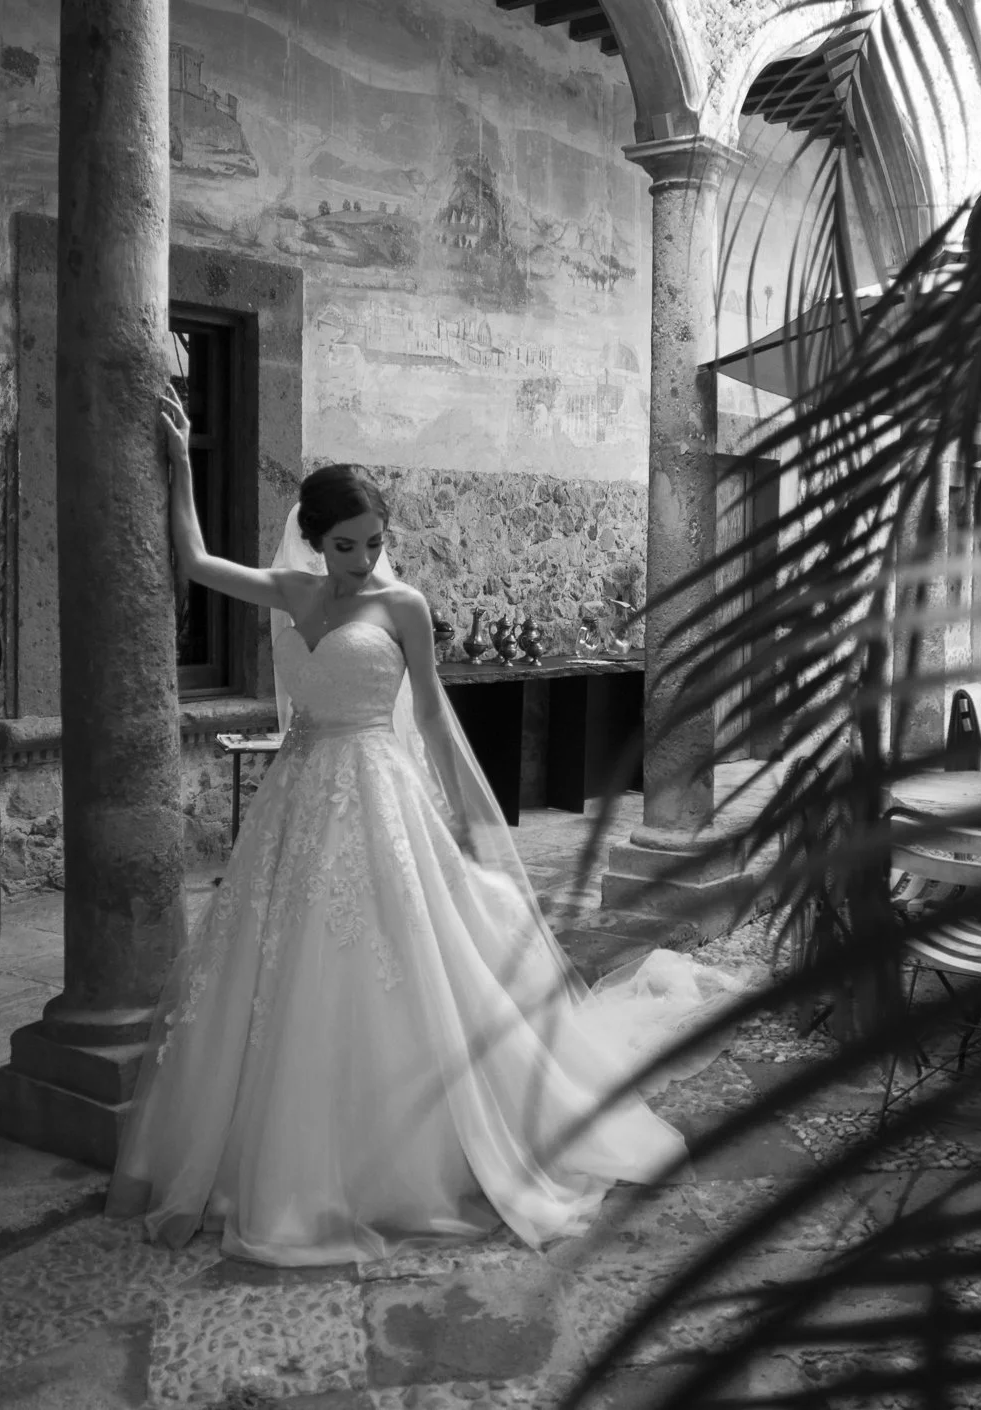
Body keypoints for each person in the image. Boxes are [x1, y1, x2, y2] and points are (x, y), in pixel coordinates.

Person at [105, 384, 732, 1266]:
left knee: (407, 957)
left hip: (378, 790)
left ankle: (421, 1144)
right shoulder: (293, 591)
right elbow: (200, 561)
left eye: (374, 545)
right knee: (282, 963)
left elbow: (433, 718)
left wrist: (469, 817)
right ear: (314, 541)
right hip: (298, 795)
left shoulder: (403, 608)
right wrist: (178, 465)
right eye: (345, 547)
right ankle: (287, 1148)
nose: (363, 562)